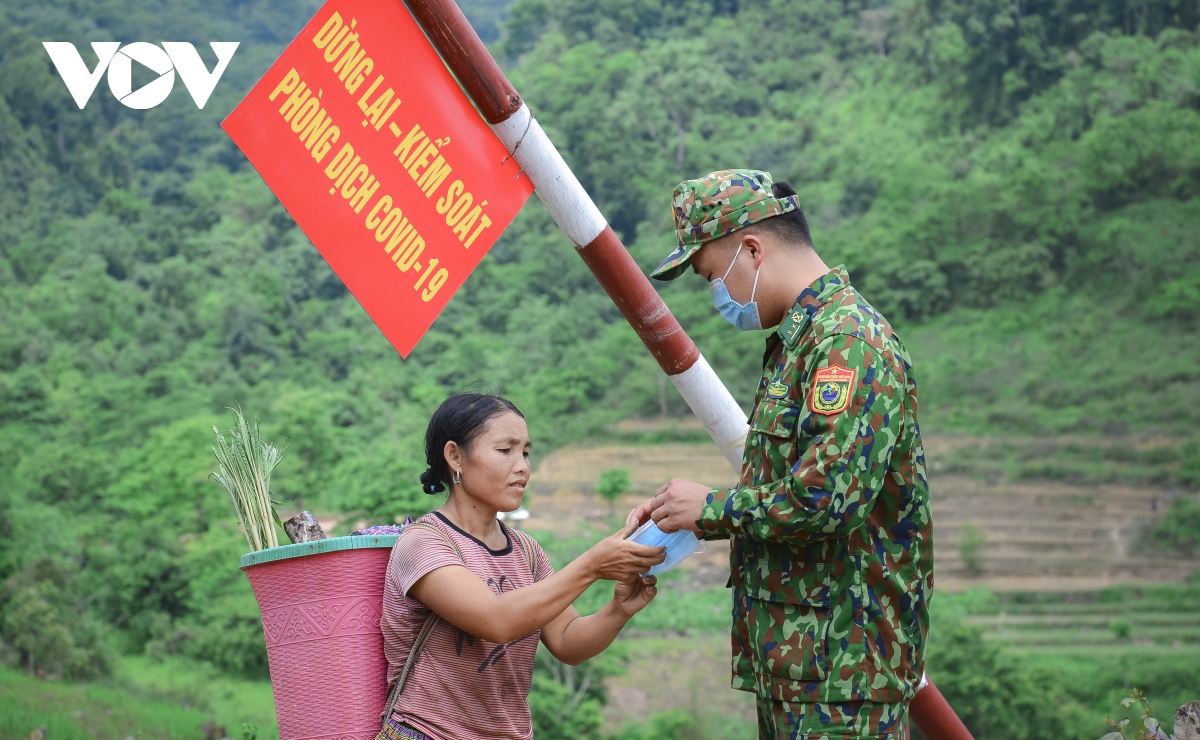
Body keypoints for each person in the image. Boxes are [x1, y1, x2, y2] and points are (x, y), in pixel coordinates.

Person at [628, 170, 934, 739]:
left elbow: (825, 499)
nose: (715, 292)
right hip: (801, 667)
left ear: (751, 249)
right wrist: (683, 515)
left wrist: (714, 509)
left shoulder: (846, 343)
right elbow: (788, 485)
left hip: (844, 675)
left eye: (710, 274)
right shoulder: (801, 342)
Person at [380, 393, 665, 740]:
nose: (523, 467)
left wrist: (619, 610)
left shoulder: (526, 551)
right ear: (455, 456)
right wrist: (592, 566)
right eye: (506, 451)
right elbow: (496, 621)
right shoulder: (425, 543)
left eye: (526, 453)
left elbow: (567, 641)